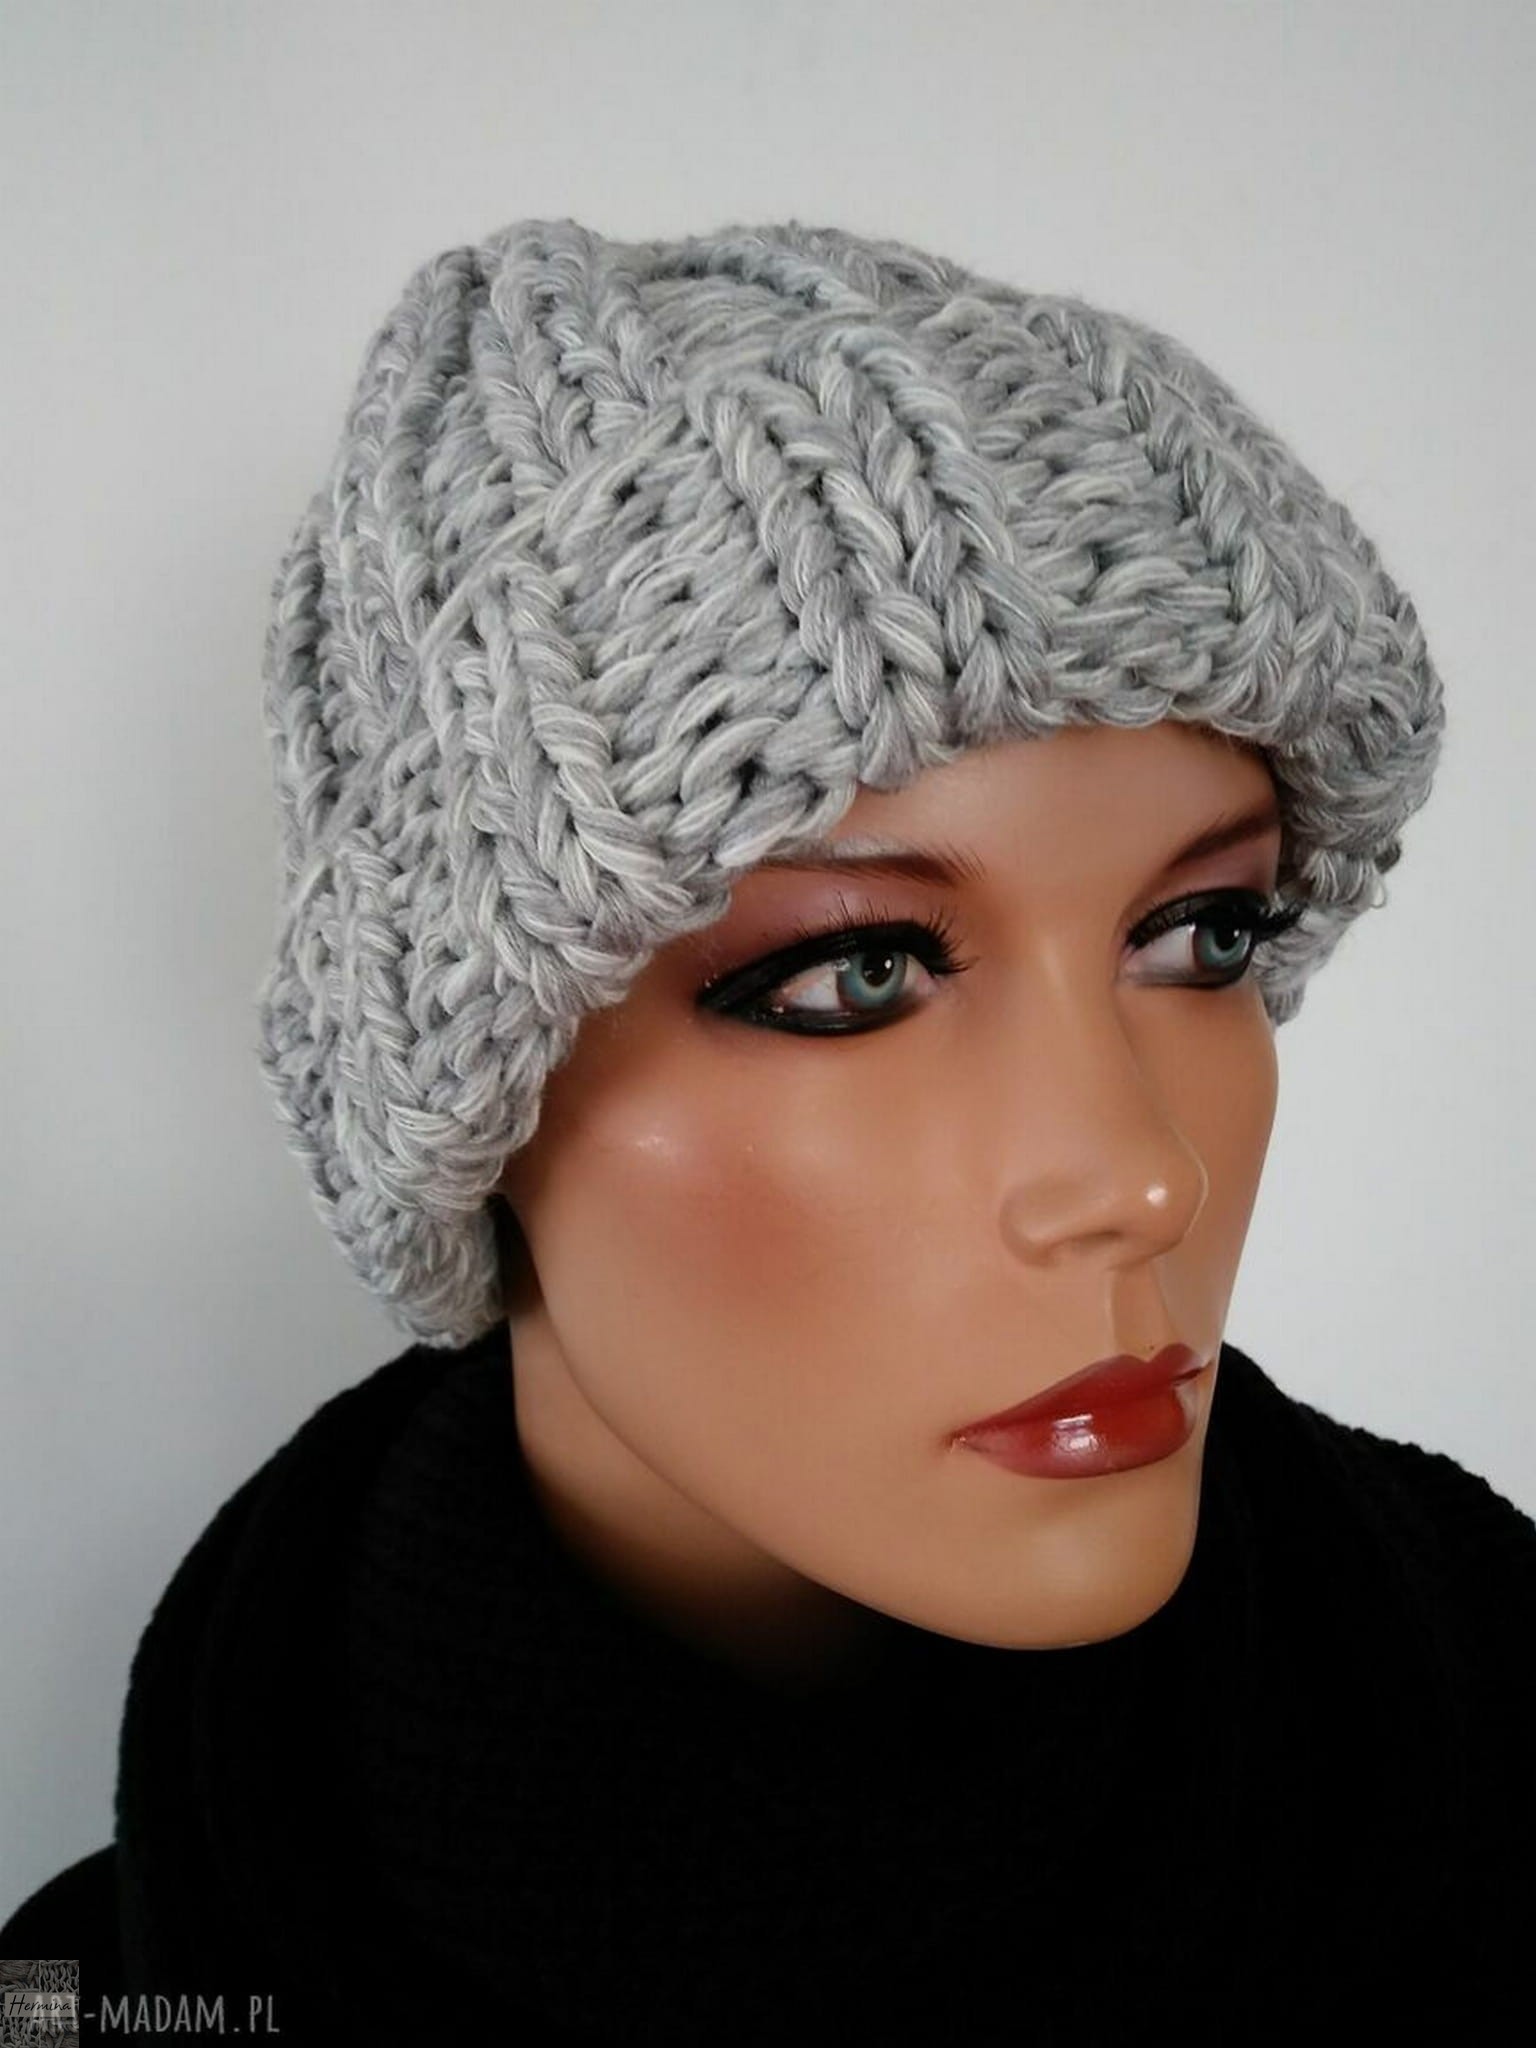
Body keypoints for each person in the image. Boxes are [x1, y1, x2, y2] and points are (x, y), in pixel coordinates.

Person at [4, 216, 1532, 2043]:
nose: (1141, 1178)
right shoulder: (99, 1994)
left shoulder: (1496, 1733)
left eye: (1204, 935)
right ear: (466, 1106)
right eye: (854, 977)